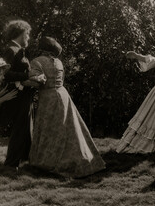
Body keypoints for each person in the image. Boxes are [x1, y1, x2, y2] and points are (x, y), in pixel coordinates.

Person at [26, 36, 106, 178]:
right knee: (68, 127)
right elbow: (61, 80)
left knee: (50, 128)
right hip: (63, 95)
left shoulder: (37, 61)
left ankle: (48, 161)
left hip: (48, 97)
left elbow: (37, 83)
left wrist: (24, 82)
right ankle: (80, 157)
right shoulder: (58, 62)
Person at [1, 19, 34, 176]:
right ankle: (10, 164)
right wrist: (28, 75)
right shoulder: (11, 50)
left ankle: (26, 159)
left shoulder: (19, 50)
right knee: (20, 128)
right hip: (17, 96)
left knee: (26, 127)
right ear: (21, 33)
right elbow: (5, 74)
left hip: (24, 94)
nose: (28, 37)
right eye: (27, 34)